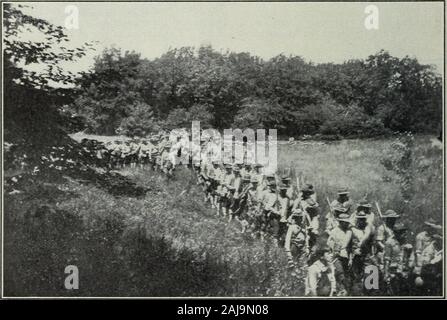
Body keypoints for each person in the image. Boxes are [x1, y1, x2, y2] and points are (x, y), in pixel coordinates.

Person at [383, 222, 415, 295]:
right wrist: (386, 274)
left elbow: (411, 258)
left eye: (404, 232)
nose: (404, 234)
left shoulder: (407, 242)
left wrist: (409, 267)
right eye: (402, 232)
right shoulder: (389, 243)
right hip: (393, 272)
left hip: (404, 272)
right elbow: (387, 259)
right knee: (393, 292)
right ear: (396, 233)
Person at [327, 211, 353, 295]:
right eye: (344, 222)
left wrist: (350, 258)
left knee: (346, 275)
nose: (346, 224)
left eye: (347, 223)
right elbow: (330, 244)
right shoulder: (334, 231)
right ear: (340, 222)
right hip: (337, 256)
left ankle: (345, 290)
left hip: (346, 257)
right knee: (339, 273)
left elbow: (350, 247)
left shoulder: (349, 232)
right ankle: (340, 290)